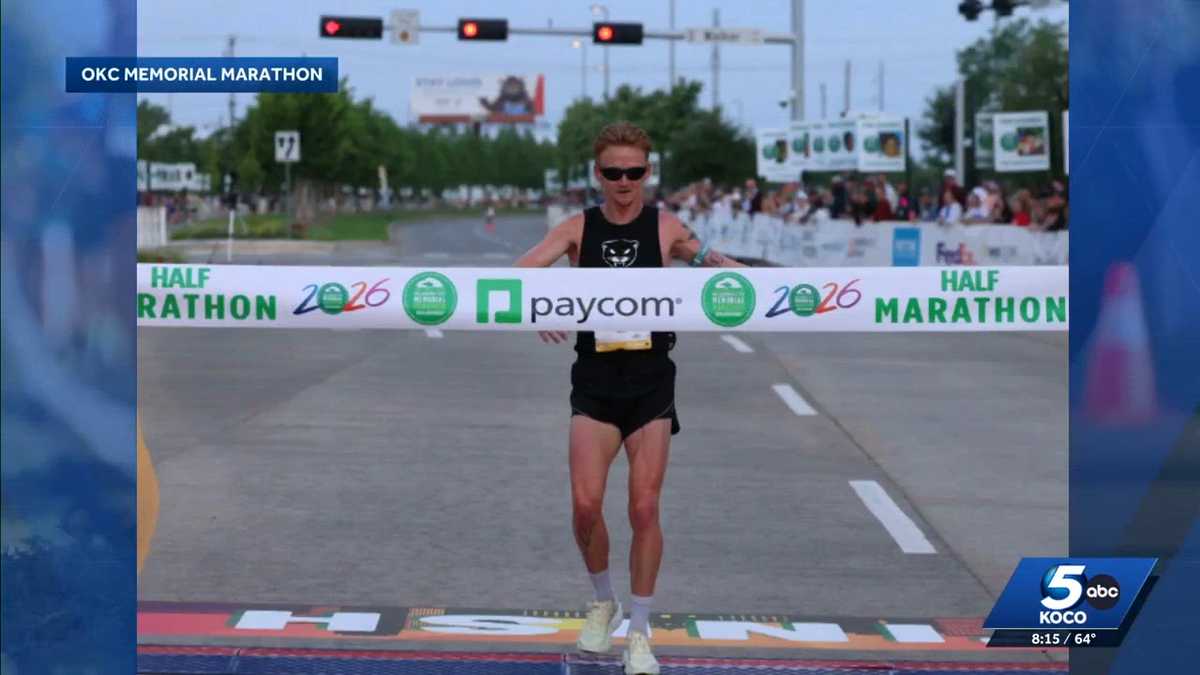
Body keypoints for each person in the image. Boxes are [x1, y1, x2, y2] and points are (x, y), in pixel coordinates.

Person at [515, 121, 744, 675]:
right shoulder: (577, 228)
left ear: (647, 172)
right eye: (613, 172)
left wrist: (739, 274)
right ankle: (603, 600)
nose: (624, 181)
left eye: (634, 172)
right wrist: (543, 305)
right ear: (598, 174)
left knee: (644, 506)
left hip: (650, 380)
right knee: (586, 507)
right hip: (594, 380)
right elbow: (522, 275)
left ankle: (640, 632)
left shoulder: (665, 227)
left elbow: (711, 259)